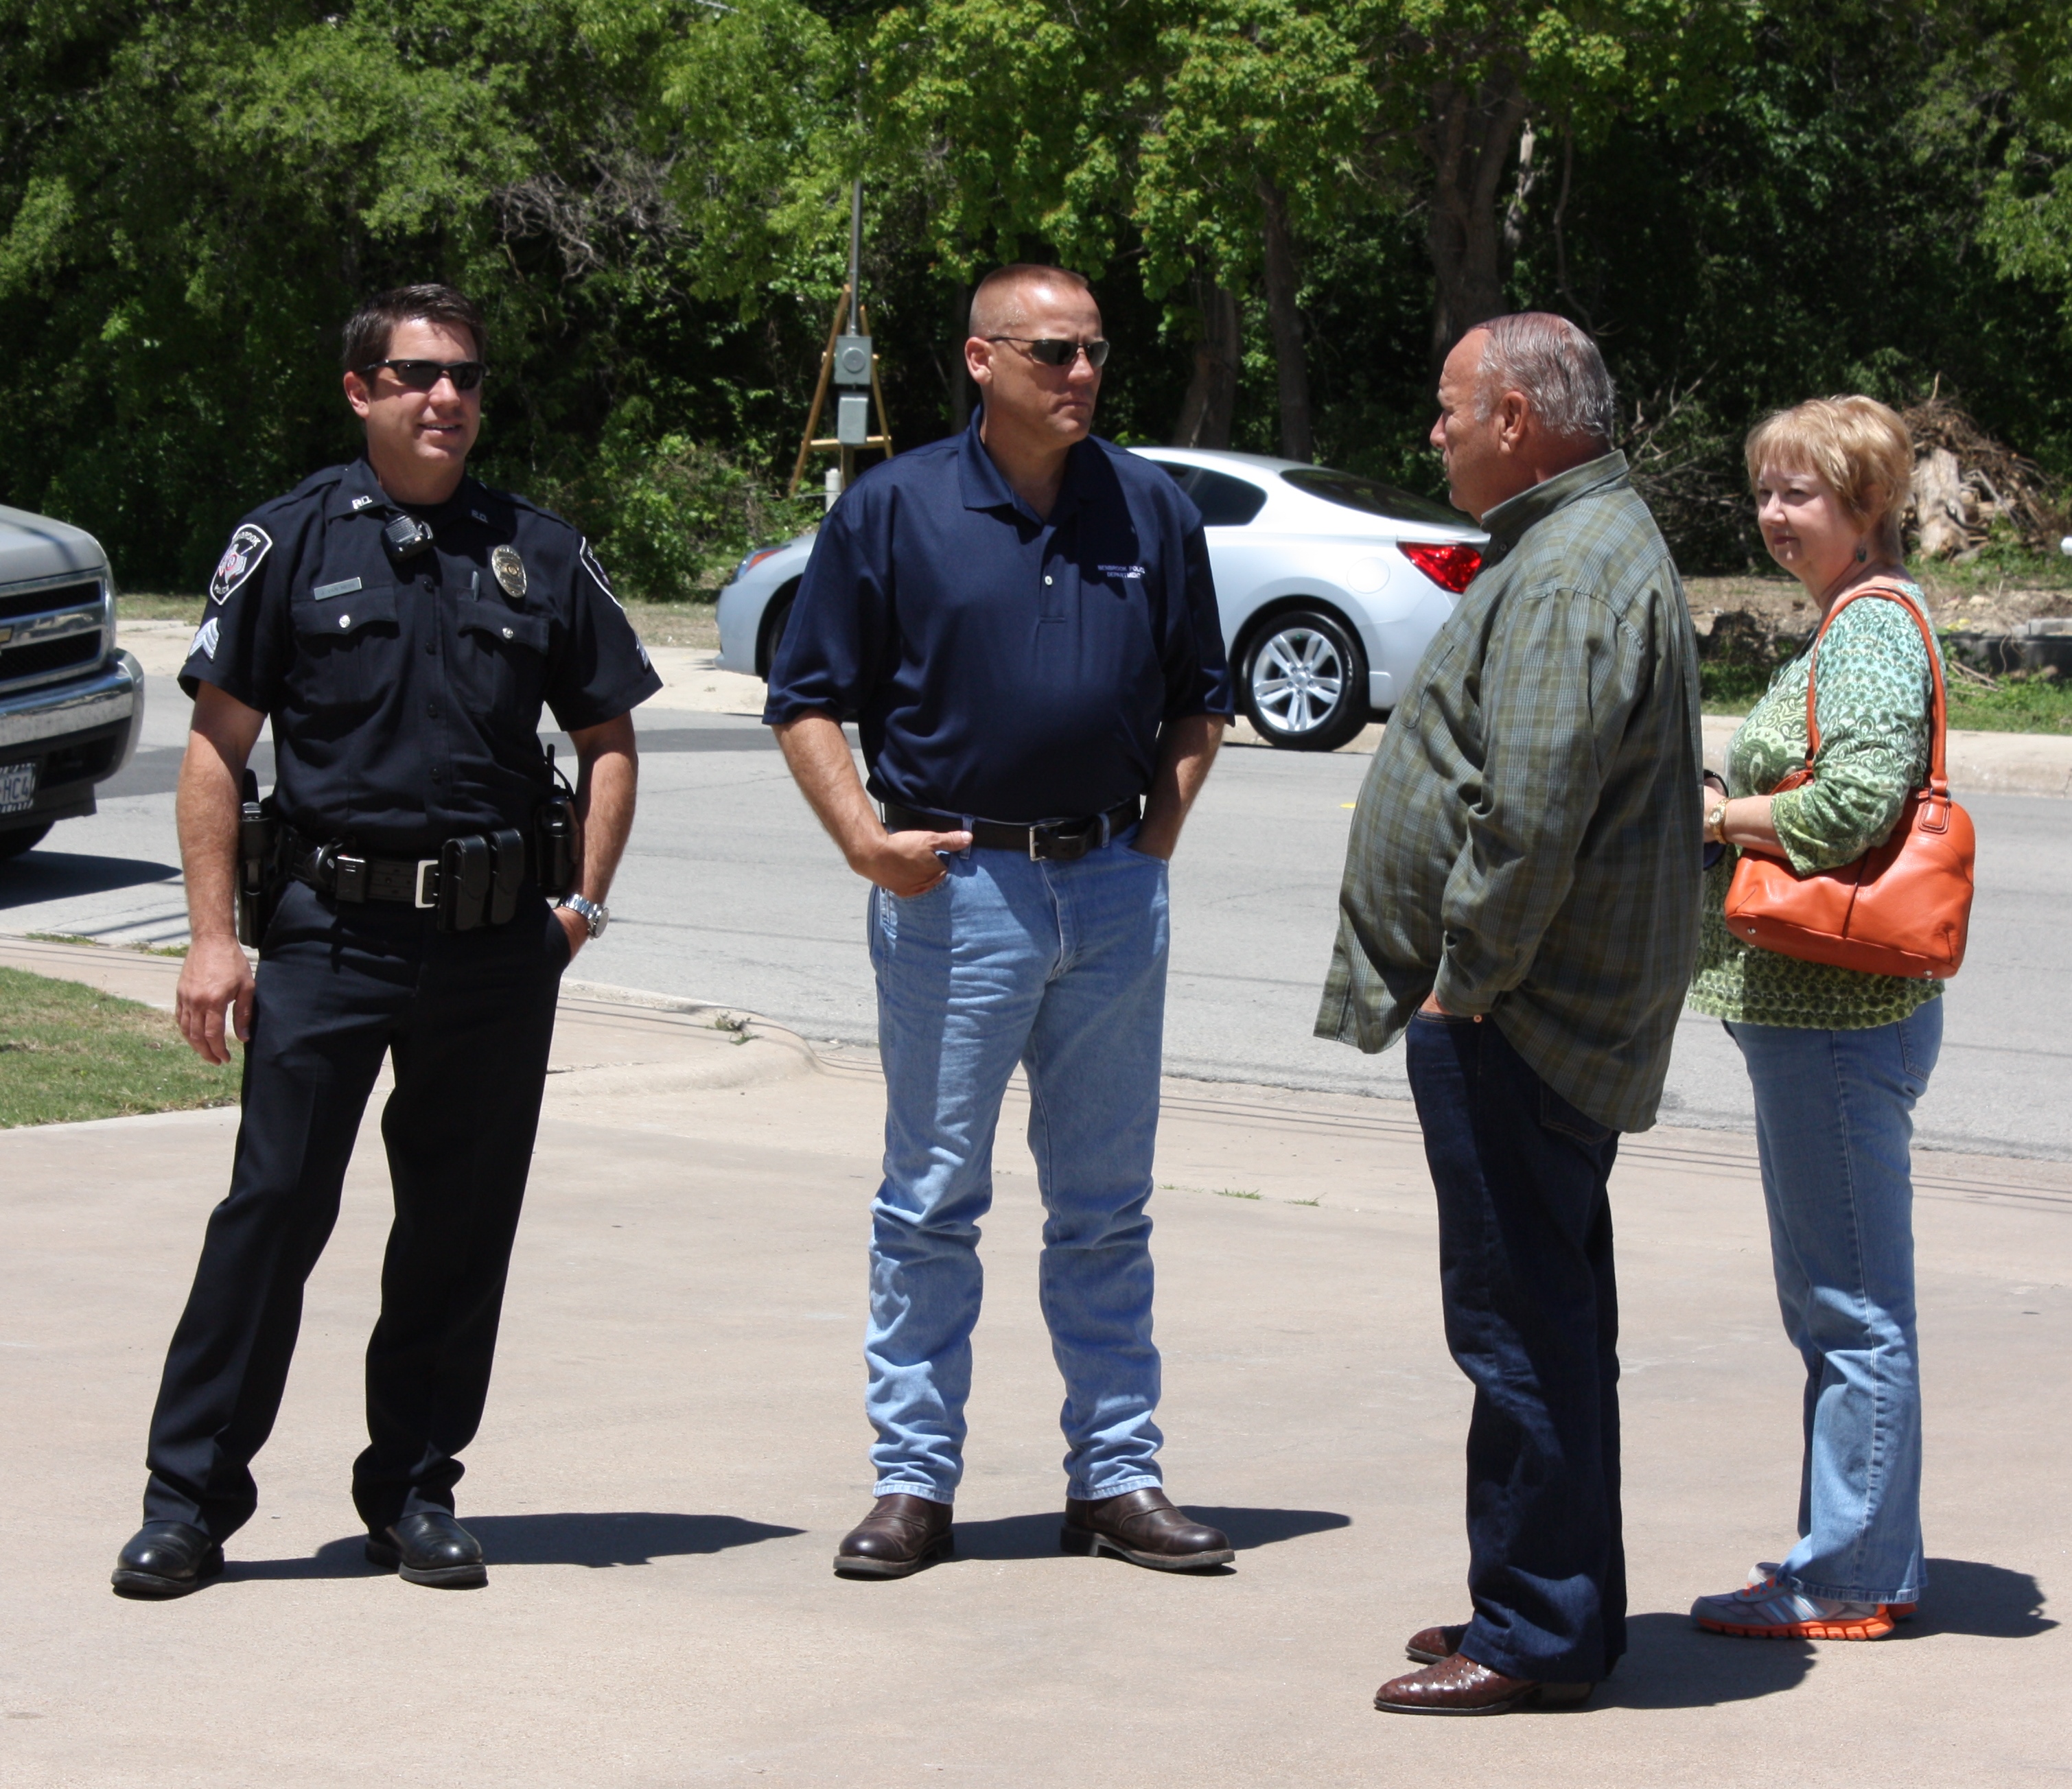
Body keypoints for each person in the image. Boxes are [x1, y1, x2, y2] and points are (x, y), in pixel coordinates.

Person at [110, 284, 660, 1598]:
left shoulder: (537, 548)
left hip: (491, 953)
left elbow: (609, 738)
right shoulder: (288, 540)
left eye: (466, 377)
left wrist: (578, 906)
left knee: (459, 1229)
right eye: (418, 376)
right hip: (328, 938)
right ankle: (189, 1502)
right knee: (271, 1214)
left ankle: (413, 1489)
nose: (448, 399)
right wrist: (210, 942)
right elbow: (214, 754)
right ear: (362, 391)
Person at [767, 264, 1235, 1579]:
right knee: (930, 1202)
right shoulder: (893, 508)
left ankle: (1117, 1478)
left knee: (1106, 1207)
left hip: (1108, 893)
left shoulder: (1148, 505)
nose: (1079, 374)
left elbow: (1202, 695)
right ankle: (914, 1484)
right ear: (981, 361)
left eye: (1092, 352)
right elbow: (805, 697)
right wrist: (866, 840)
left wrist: (1152, 847)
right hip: (955, 896)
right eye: (1050, 353)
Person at [1317, 313, 1703, 1714]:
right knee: (1545, 1314)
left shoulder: (1569, 571)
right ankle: (1553, 1602)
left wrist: (1458, 982)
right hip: (1536, 1011)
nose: (1435, 433)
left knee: (1518, 1326)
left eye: (1448, 409)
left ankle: (1536, 1631)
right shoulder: (1575, 544)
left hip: (1517, 1016)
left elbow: (1527, 815)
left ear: (1519, 419)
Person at [1685, 397, 1943, 1641]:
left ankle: (1846, 1577)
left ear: (1866, 503)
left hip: (1838, 1014)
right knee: (1838, 1300)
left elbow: (1851, 804)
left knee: (1849, 1309)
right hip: (1817, 1011)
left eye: (1802, 495)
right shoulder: (1841, 624)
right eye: (1767, 494)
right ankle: (1859, 1556)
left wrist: (1717, 817)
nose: (1776, 517)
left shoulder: (1875, 629)